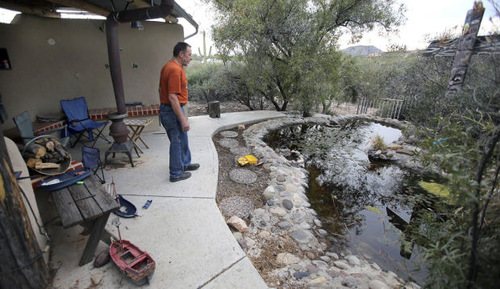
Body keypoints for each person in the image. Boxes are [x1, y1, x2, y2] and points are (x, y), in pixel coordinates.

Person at [159, 42, 200, 182]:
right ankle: (176, 173)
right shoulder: (174, 69)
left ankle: (185, 164)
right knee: (176, 140)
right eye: (189, 54)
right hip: (171, 110)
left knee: (182, 137)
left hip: (172, 109)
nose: (191, 58)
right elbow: (172, 97)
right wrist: (183, 119)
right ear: (181, 54)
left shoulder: (172, 66)